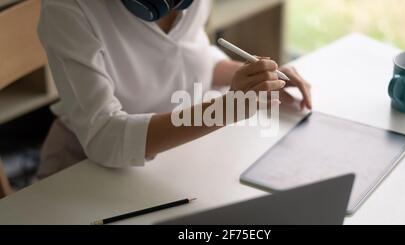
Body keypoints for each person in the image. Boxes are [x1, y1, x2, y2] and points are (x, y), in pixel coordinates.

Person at [37, 0, 312, 178]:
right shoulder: (68, 8)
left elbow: (192, 60)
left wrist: (256, 79)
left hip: (172, 159)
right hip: (84, 171)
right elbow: (104, 138)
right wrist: (224, 110)